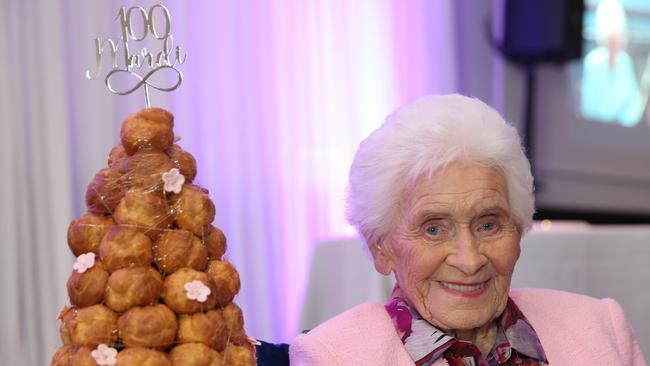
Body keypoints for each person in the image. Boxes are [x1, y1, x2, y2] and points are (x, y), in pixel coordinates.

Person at [290, 95, 646, 365]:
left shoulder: (602, 328)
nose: (470, 259)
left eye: (488, 224)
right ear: (380, 248)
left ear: (519, 230)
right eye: (433, 229)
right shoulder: (332, 356)